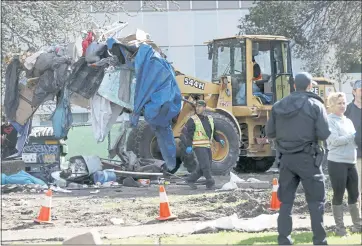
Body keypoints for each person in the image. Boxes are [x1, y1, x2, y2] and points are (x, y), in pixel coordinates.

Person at [266, 72, 331, 245]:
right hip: (308, 158)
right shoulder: (315, 105)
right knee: (316, 203)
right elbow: (324, 133)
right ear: (310, 85)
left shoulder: (278, 106)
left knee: (285, 203)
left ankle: (284, 240)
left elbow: (270, 133)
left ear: (293, 86)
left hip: (286, 159)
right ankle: (320, 241)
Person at [326, 92, 361, 236]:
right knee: (339, 194)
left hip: (351, 162)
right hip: (337, 162)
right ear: (332, 105)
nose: (342, 106)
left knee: (354, 194)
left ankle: (357, 226)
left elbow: (354, 140)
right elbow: (334, 141)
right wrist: (353, 136)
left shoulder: (348, 121)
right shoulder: (329, 121)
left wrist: (355, 138)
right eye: (339, 103)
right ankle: (340, 228)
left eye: (344, 103)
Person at [182, 100, 225, 190]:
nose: (197, 108)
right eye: (196, 107)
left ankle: (190, 180)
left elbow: (214, 132)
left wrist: (219, 139)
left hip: (207, 146)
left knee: (205, 166)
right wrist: (189, 146)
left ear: (204, 108)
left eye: (200, 107)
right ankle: (210, 183)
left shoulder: (209, 119)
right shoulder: (192, 119)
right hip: (198, 146)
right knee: (205, 165)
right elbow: (189, 135)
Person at [345, 80, 362, 199]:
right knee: (356, 188)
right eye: (361, 90)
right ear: (354, 92)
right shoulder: (347, 110)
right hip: (355, 155)